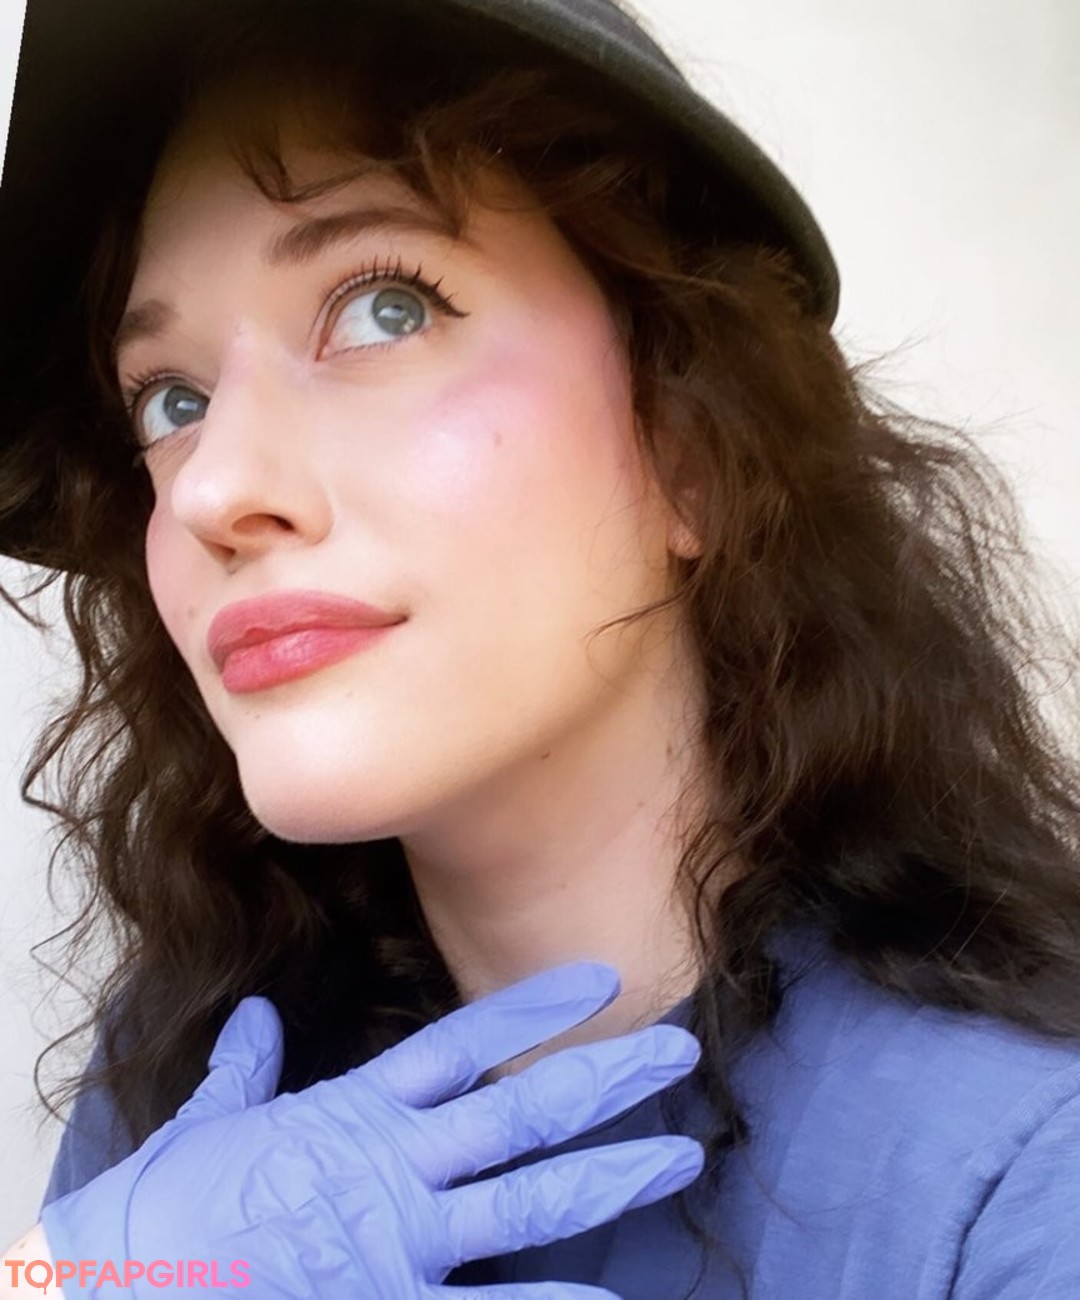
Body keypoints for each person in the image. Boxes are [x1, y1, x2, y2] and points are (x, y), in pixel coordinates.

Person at [2, 0, 1080, 1296]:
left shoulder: (1024, 1176)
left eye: (384, 308)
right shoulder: (205, 1078)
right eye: (170, 401)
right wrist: (62, 1280)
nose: (213, 488)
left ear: (692, 443)